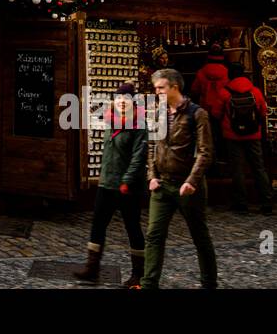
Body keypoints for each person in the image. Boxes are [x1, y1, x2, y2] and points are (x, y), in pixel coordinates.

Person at [141, 68, 218, 290]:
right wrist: (151, 176)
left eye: (160, 87)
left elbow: (205, 151)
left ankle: (209, 283)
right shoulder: (158, 112)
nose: (157, 92)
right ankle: (148, 284)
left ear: (175, 87)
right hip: (162, 184)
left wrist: (192, 181)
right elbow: (152, 145)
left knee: (199, 235)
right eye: (155, 88)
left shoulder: (197, 114)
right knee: (154, 235)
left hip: (187, 185)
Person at [73, 82, 148, 287]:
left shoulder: (139, 125)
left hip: (127, 187)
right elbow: (109, 155)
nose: (122, 102)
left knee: (133, 228)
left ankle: (138, 274)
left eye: (127, 98)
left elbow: (138, 157)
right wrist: (102, 177)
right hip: (107, 183)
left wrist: (127, 180)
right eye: (119, 98)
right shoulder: (110, 121)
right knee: (98, 224)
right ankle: (92, 268)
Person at [210, 61, 273, 214]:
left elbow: (216, 114)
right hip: (253, 135)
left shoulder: (224, 92)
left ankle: (241, 203)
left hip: (232, 135)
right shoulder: (255, 91)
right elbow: (263, 112)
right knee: (258, 167)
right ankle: (266, 202)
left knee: (237, 169)